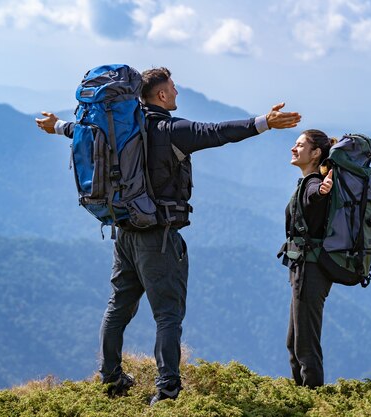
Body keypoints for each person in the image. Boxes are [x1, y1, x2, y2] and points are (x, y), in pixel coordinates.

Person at [35, 67, 301, 405]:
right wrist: (264, 122)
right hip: (158, 237)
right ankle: (167, 389)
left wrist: (55, 126)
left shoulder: (118, 128)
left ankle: (110, 378)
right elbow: (216, 132)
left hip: (124, 232)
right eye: (173, 87)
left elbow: (80, 131)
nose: (176, 92)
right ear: (160, 95)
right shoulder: (171, 130)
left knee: (118, 305)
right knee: (168, 314)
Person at [283, 129, 335, 388]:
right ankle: (301, 400)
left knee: (305, 347)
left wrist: (323, 191)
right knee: (294, 343)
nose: (294, 148)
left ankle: (315, 402)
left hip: (310, 271)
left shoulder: (313, 183)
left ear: (315, 154)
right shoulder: (308, 181)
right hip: (305, 268)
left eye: (300, 145)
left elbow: (316, 195)